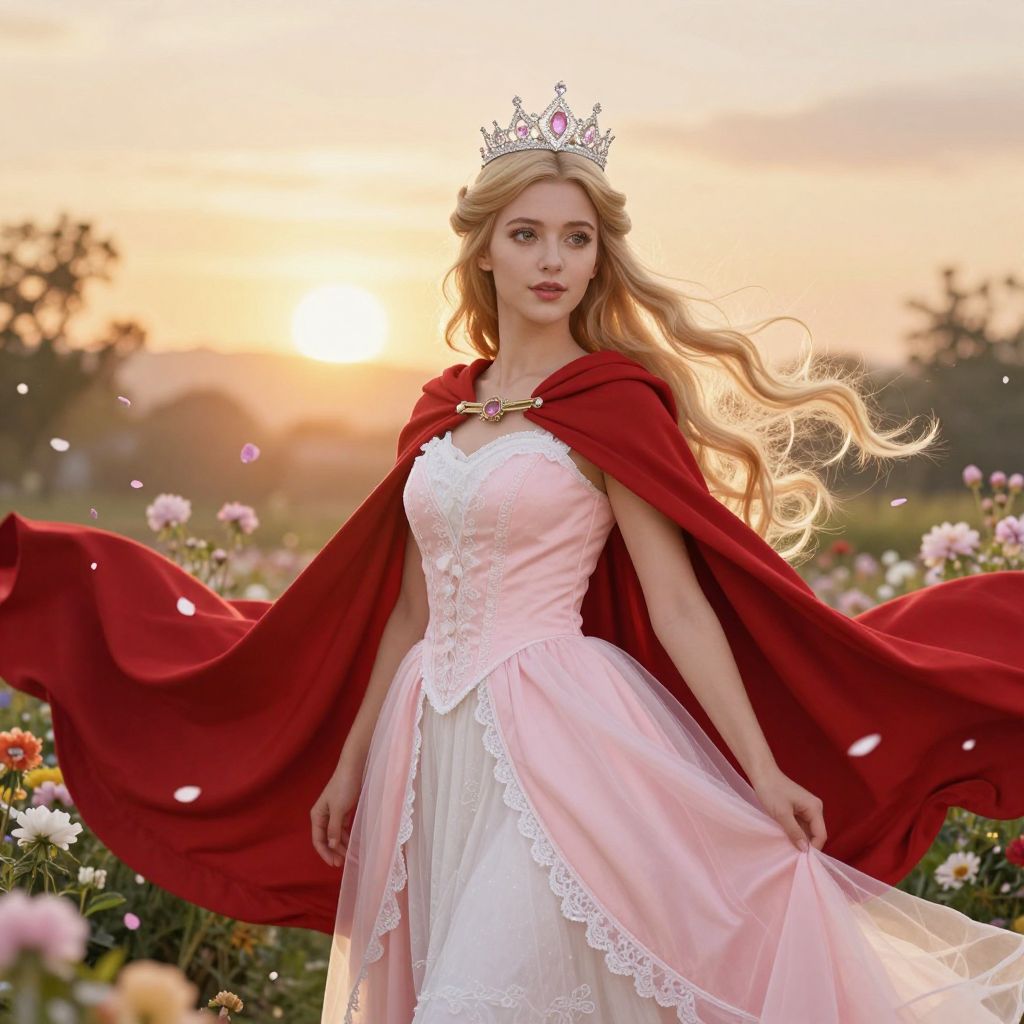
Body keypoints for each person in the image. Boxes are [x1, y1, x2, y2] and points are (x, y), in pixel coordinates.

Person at [2, 81, 1024, 1023]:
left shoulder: (613, 404)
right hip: (427, 743)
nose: (550, 259)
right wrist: (350, 765)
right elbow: (408, 612)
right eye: (526, 234)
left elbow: (676, 605)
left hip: (561, 734)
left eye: (573, 239)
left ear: (597, 257)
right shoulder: (441, 408)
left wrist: (759, 766)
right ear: (482, 250)